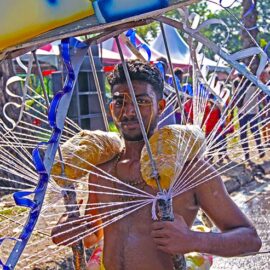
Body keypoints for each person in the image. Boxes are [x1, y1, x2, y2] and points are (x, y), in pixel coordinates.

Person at [51, 60, 261, 270]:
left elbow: (250, 240)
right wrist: (73, 231)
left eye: (141, 101)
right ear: (111, 108)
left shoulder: (190, 170)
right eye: (120, 102)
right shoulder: (101, 170)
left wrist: (193, 240)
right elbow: (94, 233)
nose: (129, 111)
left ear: (160, 106)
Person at [233, 75, 265, 162]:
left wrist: (263, 106)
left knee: (254, 131)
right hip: (242, 111)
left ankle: (260, 149)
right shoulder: (236, 82)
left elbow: (260, 93)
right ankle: (247, 154)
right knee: (244, 134)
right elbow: (235, 96)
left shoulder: (253, 81)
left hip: (252, 111)